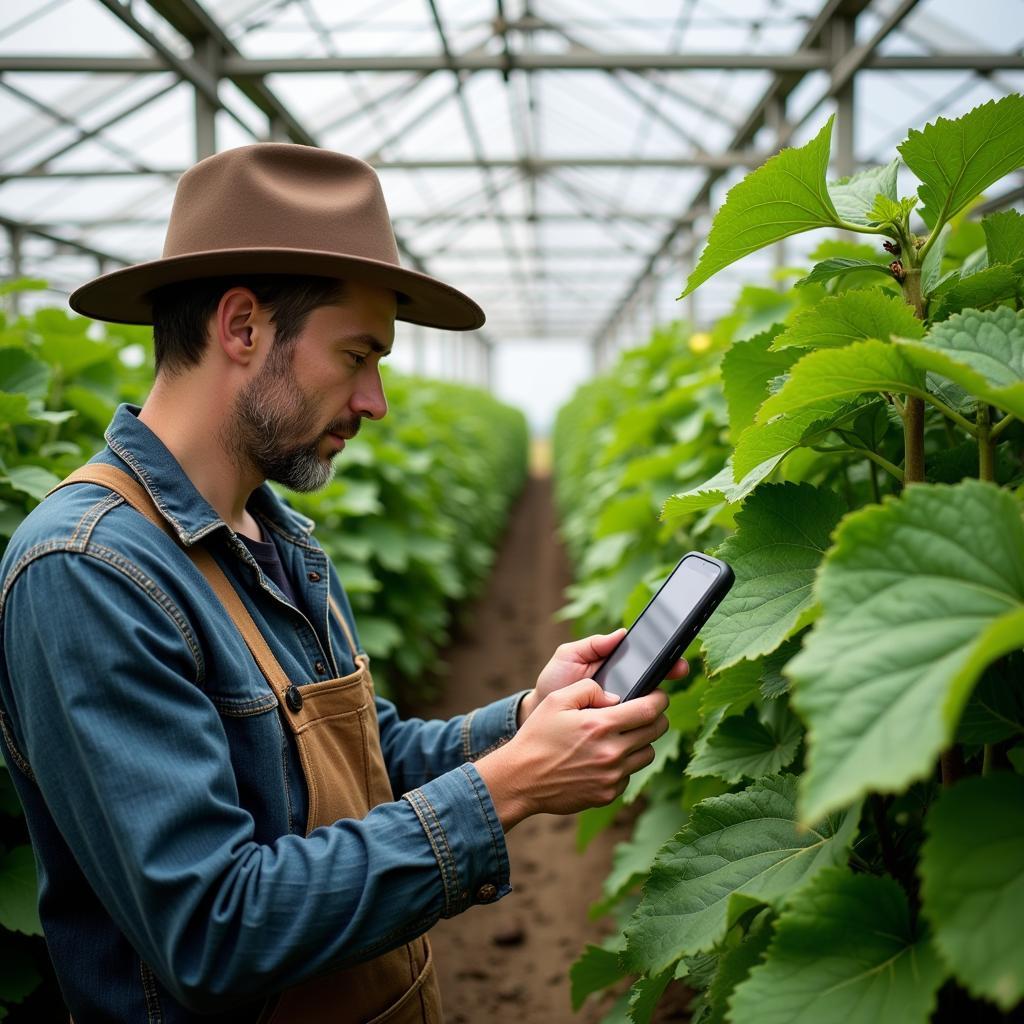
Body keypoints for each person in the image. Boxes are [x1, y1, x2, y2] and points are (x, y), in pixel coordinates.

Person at [0, 144, 679, 1023]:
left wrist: (525, 719)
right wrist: (510, 784)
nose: (376, 400)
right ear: (241, 328)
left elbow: (366, 763)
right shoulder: (89, 570)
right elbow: (214, 929)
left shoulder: (272, 536)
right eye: (357, 355)